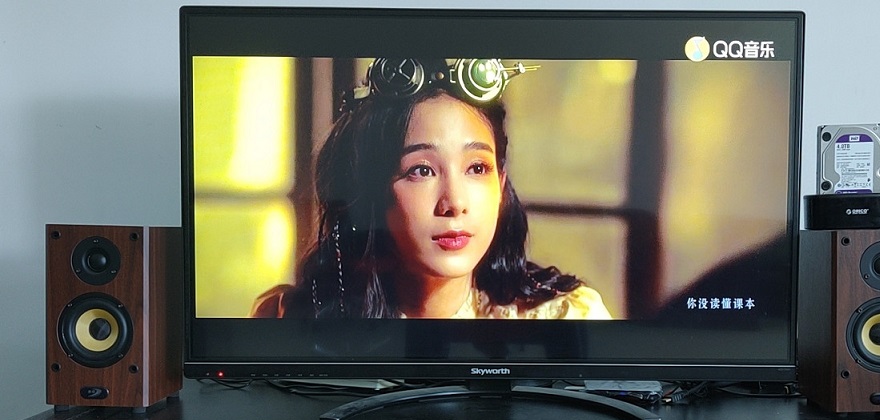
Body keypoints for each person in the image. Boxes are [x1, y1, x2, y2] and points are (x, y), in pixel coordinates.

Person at [252, 58, 611, 320]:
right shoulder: (292, 319)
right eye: (421, 171)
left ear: (501, 185)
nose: (454, 203)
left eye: (477, 168)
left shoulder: (565, 318)